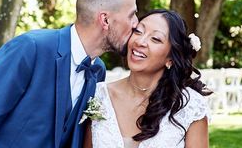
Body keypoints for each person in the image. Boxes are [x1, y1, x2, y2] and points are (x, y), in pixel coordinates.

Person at [0, 0, 138, 148]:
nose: (136, 24)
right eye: (131, 15)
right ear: (105, 19)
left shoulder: (97, 70)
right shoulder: (30, 48)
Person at [84, 9, 210, 148]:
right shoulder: (98, 96)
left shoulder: (190, 106)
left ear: (171, 59)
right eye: (138, 31)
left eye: (155, 39)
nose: (140, 41)